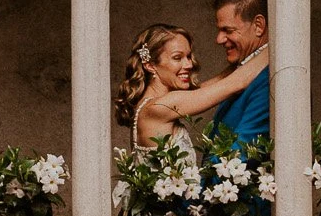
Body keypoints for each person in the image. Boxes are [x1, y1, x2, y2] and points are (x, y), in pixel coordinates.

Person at [115, 23, 270, 158]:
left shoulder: (153, 104)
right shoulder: (160, 107)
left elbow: (219, 81)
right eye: (177, 58)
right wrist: (276, 44)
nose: (189, 64)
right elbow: (236, 83)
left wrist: (250, 52)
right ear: (150, 65)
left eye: (188, 56)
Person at [209, 0, 270, 141]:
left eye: (227, 30)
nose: (219, 39)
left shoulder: (269, 79)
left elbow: (242, 151)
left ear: (259, 25)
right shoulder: (242, 70)